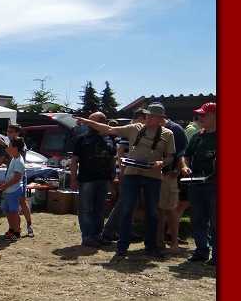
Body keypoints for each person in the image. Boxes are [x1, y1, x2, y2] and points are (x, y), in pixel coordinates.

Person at [77, 103, 175, 258]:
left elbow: (171, 156)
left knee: (152, 212)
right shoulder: (135, 128)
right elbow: (109, 129)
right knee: (127, 210)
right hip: (132, 174)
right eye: (146, 115)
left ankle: (151, 247)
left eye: (151, 116)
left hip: (153, 176)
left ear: (159, 119)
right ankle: (122, 247)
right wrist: (87, 122)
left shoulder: (168, 134)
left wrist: (161, 163)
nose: (147, 118)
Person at [69, 112, 116, 247]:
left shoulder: (109, 139)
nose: (89, 124)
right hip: (86, 179)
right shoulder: (81, 139)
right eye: (88, 122)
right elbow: (74, 161)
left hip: (103, 180)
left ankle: (97, 235)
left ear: (101, 122)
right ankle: (87, 236)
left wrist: (112, 179)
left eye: (91, 121)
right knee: (86, 209)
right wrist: (73, 179)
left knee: (100, 209)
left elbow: (112, 159)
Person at [102, 109, 148, 241]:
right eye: (146, 118)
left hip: (133, 171)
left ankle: (125, 230)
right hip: (127, 172)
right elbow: (121, 152)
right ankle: (109, 231)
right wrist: (122, 172)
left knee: (131, 202)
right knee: (124, 202)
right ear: (141, 118)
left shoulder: (137, 130)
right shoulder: (130, 130)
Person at [181, 102, 217, 265]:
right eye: (200, 115)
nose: (200, 117)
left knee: (216, 220)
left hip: (215, 185)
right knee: (198, 219)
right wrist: (185, 166)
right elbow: (185, 155)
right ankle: (201, 251)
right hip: (196, 183)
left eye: (204, 115)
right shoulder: (197, 136)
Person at [158, 110, 189, 250]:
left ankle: (173, 241)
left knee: (171, 208)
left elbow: (182, 153)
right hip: (155, 175)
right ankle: (160, 240)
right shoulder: (151, 129)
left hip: (170, 175)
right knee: (160, 209)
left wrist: (177, 170)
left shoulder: (175, 129)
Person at [4, 124, 34, 237]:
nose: (9, 133)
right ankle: (14, 227)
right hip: (11, 174)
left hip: (20, 177)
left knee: (22, 201)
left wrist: (4, 147)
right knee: (11, 207)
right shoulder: (10, 143)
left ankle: (28, 225)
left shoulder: (20, 143)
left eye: (11, 131)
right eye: (8, 131)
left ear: (17, 133)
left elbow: (16, 155)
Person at [0, 137, 26, 240]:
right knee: (8, 211)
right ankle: (11, 229)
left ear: (15, 148)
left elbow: (16, 178)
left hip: (13, 191)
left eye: (10, 146)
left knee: (14, 212)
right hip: (8, 190)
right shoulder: (14, 158)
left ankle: (17, 231)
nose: (8, 148)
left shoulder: (19, 161)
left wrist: (4, 186)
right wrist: (4, 184)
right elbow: (11, 176)